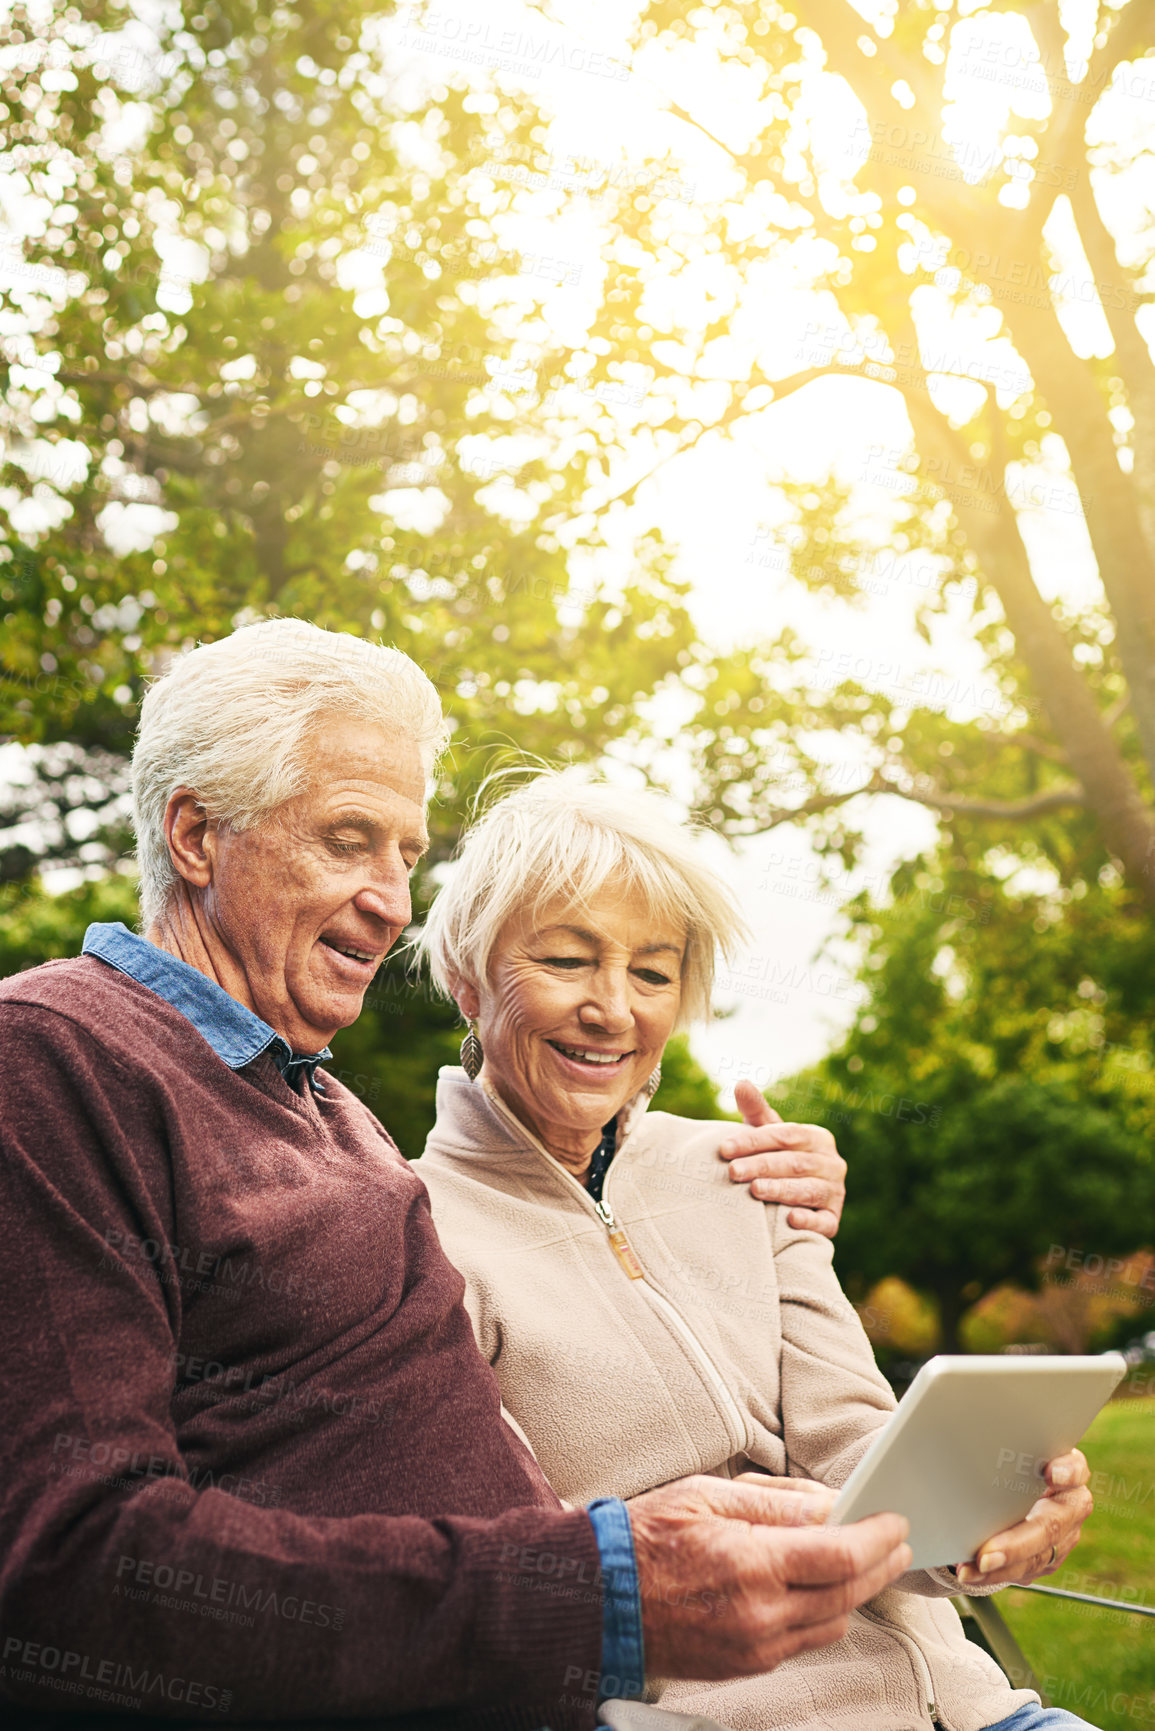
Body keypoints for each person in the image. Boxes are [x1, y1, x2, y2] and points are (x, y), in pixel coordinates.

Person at [0, 619, 911, 1731]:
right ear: (196, 834)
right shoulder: (55, 1054)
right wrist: (597, 1594)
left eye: (405, 854)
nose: (392, 901)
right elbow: (70, 1570)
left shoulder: (323, 1107)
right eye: (348, 839)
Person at [413, 769, 1100, 1731]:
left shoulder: (748, 1168)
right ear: (465, 974)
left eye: (652, 974)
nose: (614, 1009)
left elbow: (855, 1444)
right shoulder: (415, 1230)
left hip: (969, 1708)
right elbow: (522, 1561)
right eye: (568, 960)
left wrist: (989, 1507)